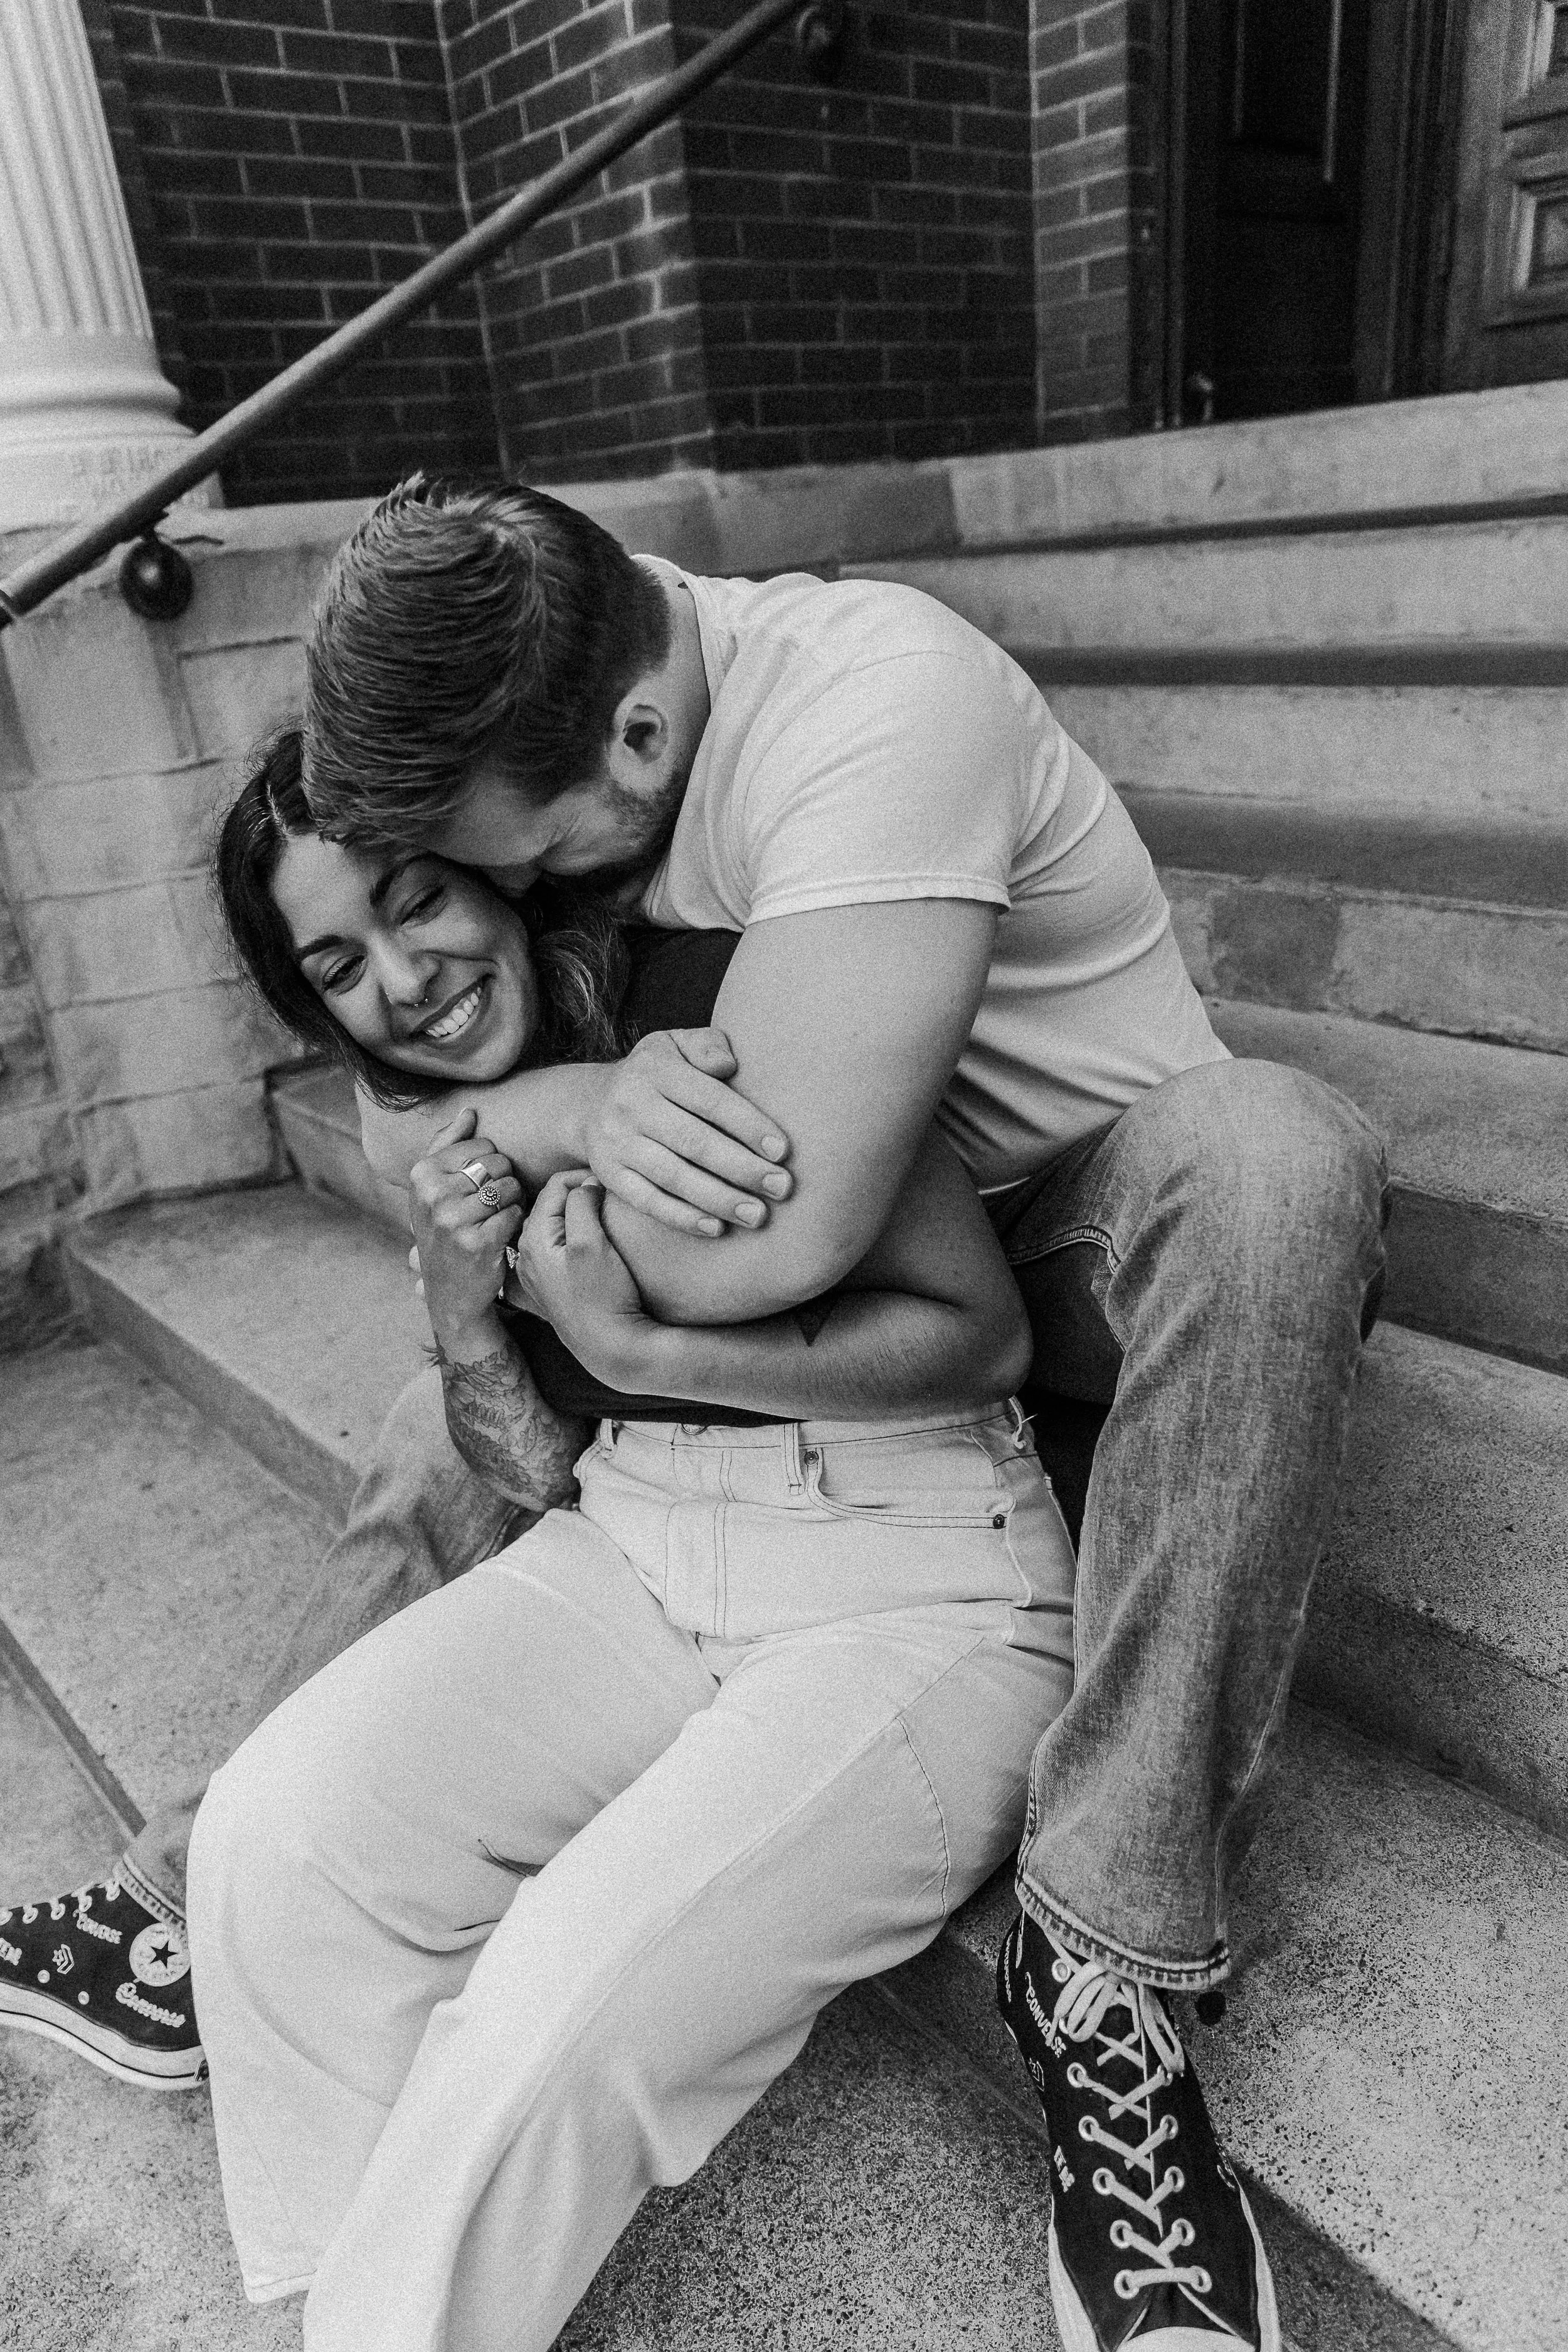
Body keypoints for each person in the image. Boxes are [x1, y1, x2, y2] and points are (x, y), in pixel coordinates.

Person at [297, 476, 1393, 2352]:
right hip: (839, 1326)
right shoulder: (564, 713)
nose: (545, 893)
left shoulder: (878, 699)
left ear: (637, 733)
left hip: (1076, 1251)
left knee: (1278, 1153)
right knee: (439, 1388)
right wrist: (550, 1124)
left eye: (544, 853)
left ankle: (1106, 1974)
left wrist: (561, 1157)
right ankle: (200, 1882)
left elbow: (763, 1234)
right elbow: (409, 1095)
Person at [180, 750, 1082, 2349]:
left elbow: (984, 1336)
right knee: (274, 1837)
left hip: (915, 1581)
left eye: (417, 904)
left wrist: (654, 1348)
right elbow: (531, 1469)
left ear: (491, 866)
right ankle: (360, 2307)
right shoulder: (436, 1125)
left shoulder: (717, 1001)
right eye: (340, 964)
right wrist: (468, 1322)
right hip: (640, 1538)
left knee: (554, 2004)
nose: (405, 983)